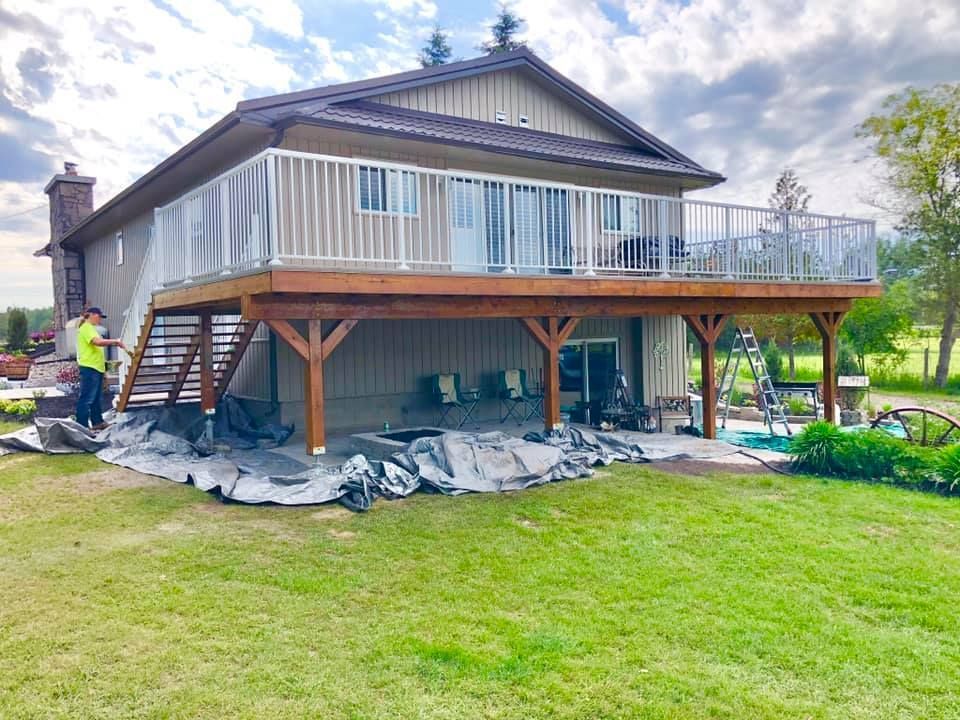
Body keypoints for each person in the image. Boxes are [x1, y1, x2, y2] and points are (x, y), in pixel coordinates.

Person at [76, 307, 127, 431]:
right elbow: (97, 342)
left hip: (96, 368)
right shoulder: (86, 328)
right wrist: (115, 341)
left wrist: (104, 369)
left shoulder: (91, 328)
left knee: (96, 398)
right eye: (99, 316)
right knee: (87, 398)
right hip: (89, 368)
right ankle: (81, 426)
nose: (100, 320)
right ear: (91, 315)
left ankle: (97, 422)